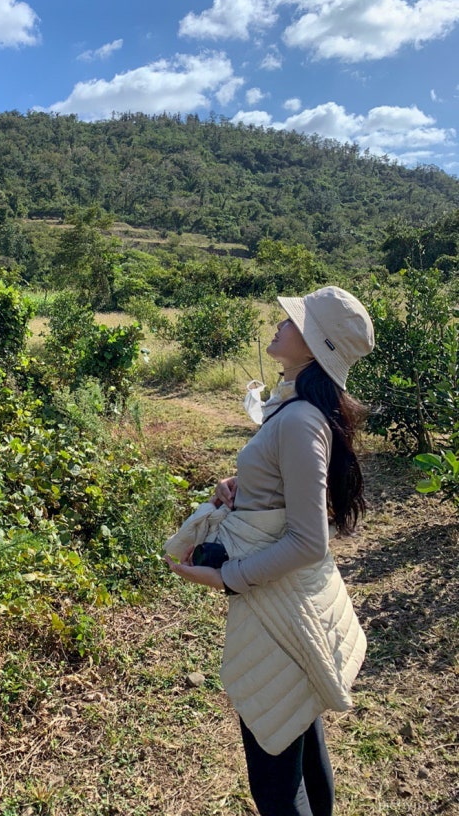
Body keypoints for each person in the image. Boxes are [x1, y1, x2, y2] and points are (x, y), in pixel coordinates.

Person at [164, 286, 374, 816]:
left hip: (278, 612)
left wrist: (227, 576)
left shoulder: (302, 420)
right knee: (298, 737)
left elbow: (308, 540)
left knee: (275, 776)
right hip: (284, 609)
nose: (282, 321)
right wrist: (242, 485)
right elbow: (289, 489)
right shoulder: (296, 410)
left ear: (312, 347)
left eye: (295, 319)